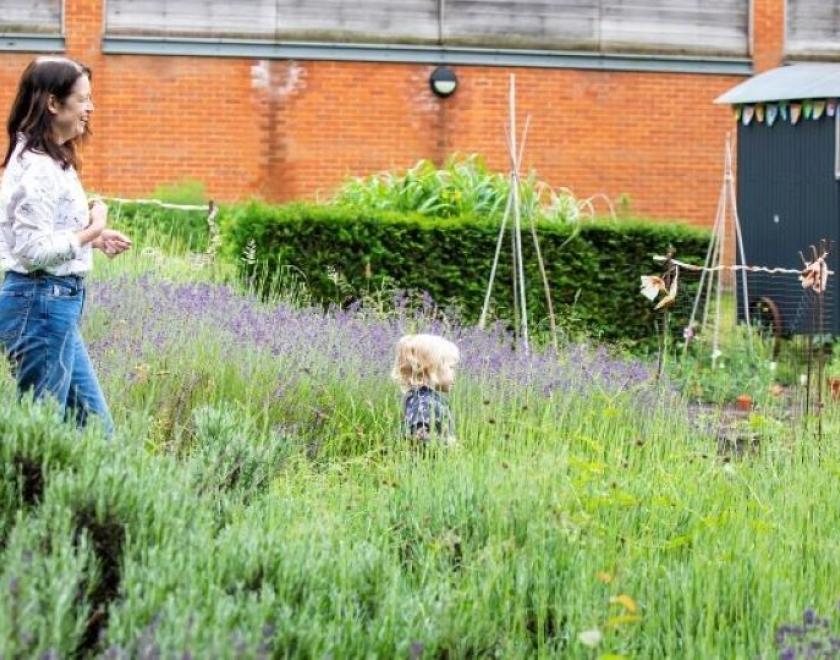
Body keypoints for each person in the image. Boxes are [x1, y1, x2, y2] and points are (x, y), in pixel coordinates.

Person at [0, 56, 131, 436]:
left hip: (52, 305)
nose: (90, 109)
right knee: (42, 437)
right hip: (39, 305)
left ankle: (90, 497)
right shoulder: (37, 167)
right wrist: (93, 229)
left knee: (96, 432)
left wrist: (96, 236)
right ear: (53, 104)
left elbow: (44, 232)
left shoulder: (54, 160)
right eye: (83, 100)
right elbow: (31, 251)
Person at [391, 333, 459, 445]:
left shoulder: (425, 398)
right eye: (451, 367)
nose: (454, 373)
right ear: (432, 368)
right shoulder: (424, 402)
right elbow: (419, 436)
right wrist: (448, 444)